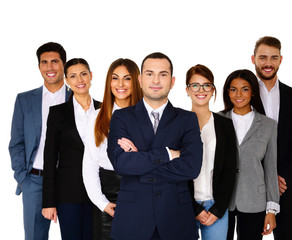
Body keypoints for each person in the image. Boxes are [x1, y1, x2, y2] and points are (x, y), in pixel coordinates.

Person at [106, 52, 203, 240]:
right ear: (140, 80)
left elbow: (192, 168)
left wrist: (139, 160)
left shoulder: (187, 119)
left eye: (163, 74)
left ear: (172, 81)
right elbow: (121, 164)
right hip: (133, 219)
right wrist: (168, 155)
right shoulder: (121, 117)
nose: (156, 80)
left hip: (175, 218)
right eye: (150, 74)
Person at [9, 42, 70, 240]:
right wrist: (23, 178)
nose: (49, 67)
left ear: (64, 65)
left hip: (70, 180)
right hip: (35, 180)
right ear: (39, 67)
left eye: (55, 61)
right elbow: (17, 142)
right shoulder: (24, 100)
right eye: (44, 62)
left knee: (76, 234)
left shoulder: (78, 98)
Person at [251, 36, 292, 240]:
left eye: (273, 58)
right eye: (263, 57)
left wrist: (280, 178)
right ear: (253, 59)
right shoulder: (243, 97)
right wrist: (264, 178)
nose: (268, 63)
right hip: (251, 185)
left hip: (286, 184)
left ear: (280, 60)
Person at [82, 58, 143, 240]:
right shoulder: (96, 116)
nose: (120, 84)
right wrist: (102, 203)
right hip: (107, 193)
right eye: (115, 78)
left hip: (141, 192)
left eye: (127, 78)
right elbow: (90, 163)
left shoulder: (147, 115)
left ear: (137, 82)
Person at [41, 58, 101, 240]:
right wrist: (49, 202)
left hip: (100, 192)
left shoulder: (105, 109)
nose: (79, 80)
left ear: (91, 76)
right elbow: (50, 158)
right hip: (68, 193)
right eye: (73, 76)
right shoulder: (57, 113)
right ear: (66, 80)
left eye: (83, 74)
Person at [220, 69, 279, 240]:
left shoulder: (268, 125)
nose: (238, 94)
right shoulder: (217, 120)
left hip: (255, 200)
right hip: (223, 201)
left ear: (253, 92)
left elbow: (270, 167)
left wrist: (271, 210)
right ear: (227, 92)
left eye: (245, 89)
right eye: (233, 89)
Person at [185, 64, 237, 240]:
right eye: (195, 85)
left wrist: (218, 209)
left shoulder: (225, 125)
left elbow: (230, 171)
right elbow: (174, 171)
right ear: (187, 89)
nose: (201, 90)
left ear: (213, 89)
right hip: (184, 205)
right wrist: (195, 209)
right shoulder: (177, 124)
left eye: (207, 85)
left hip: (216, 207)